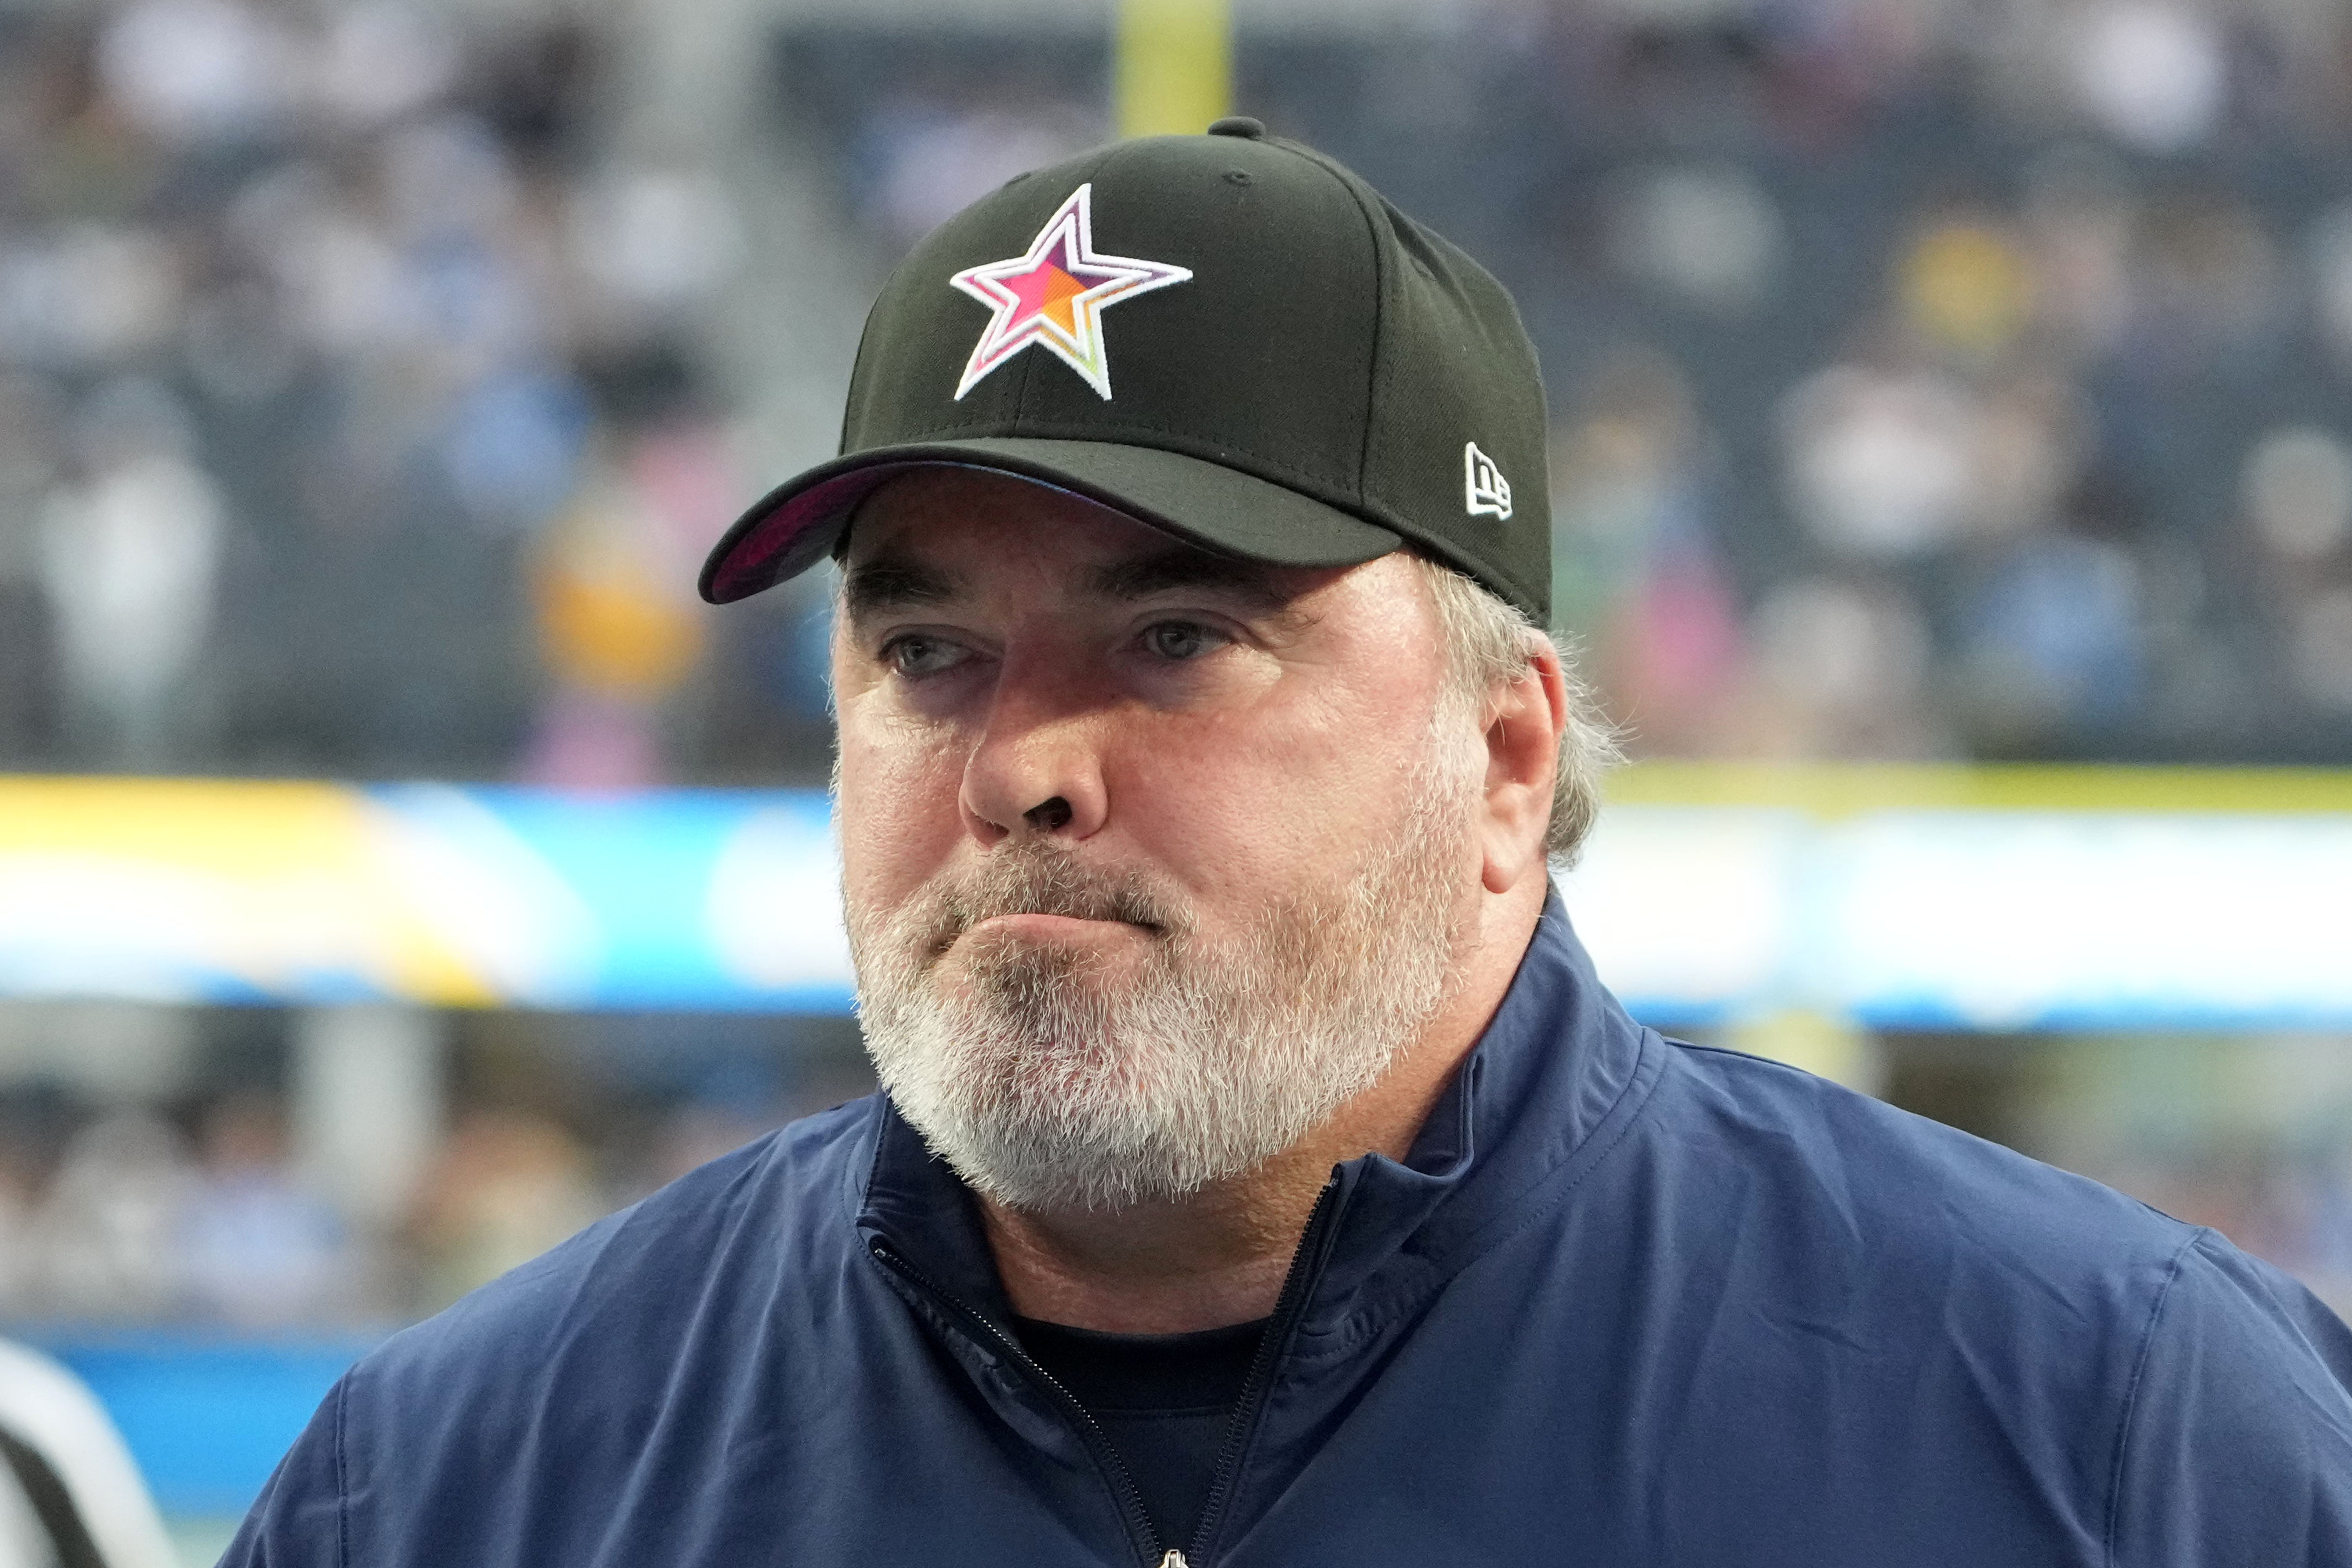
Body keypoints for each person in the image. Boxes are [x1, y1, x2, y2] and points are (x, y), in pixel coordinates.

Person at [224, 121, 2352, 1567]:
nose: (1019, 766)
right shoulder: (460, 1483)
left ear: (1505, 757)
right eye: (927, 648)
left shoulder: (2112, 1431)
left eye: (1176, 638)